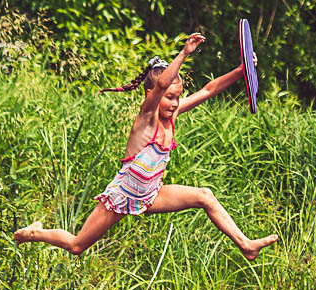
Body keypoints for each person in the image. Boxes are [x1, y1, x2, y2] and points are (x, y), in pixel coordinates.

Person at [14, 33, 278, 261]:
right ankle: (33, 232)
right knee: (77, 245)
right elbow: (162, 84)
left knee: (204, 196)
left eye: (178, 98)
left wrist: (242, 70)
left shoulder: (172, 116)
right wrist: (184, 53)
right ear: (152, 96)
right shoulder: (146, 119)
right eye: (169, 98)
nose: (175, 103)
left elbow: (209, 90)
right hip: (122, 197)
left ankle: (245, 244)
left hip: (151, 195)